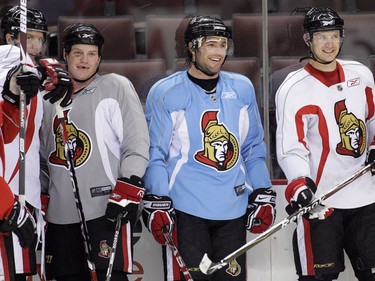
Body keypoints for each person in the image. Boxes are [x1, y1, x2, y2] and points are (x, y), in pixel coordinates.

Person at [142, 15, 276, 281]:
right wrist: (157, 200)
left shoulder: (241, 88)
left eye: (223, 45)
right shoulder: (166, 92)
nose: (218, 52)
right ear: (192, 46)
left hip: (233, 208)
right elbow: (154, 153)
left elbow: (252, 148)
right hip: (185, 211)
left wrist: (262, 190)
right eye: (211, 44)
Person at [39, 23, 150, 281]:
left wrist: (130, 184)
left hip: (106, 210)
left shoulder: (115, 87)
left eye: (91, 54)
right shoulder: (46, 99)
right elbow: (43, 159)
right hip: (58, 218)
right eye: (78, 53)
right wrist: (40, 196)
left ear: (100, 58)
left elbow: (137, 142)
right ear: (65, 54)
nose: (84, 60)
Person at [276, 7, 375, 281]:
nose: (330, 44)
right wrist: (300, 184)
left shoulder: (361, 75)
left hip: (367, 198)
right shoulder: (293, 88)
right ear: (308, 40)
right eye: (322, 37)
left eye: (334, 36)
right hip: (321, 202)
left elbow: (372, 120)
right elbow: (290, 147)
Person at [0, 6, 74, 281]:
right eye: (25, 37)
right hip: (7, 199)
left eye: (38, 38)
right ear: (9, 38)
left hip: (25, 196)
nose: (33, 45)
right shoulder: (8, 69)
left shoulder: (32, 74)